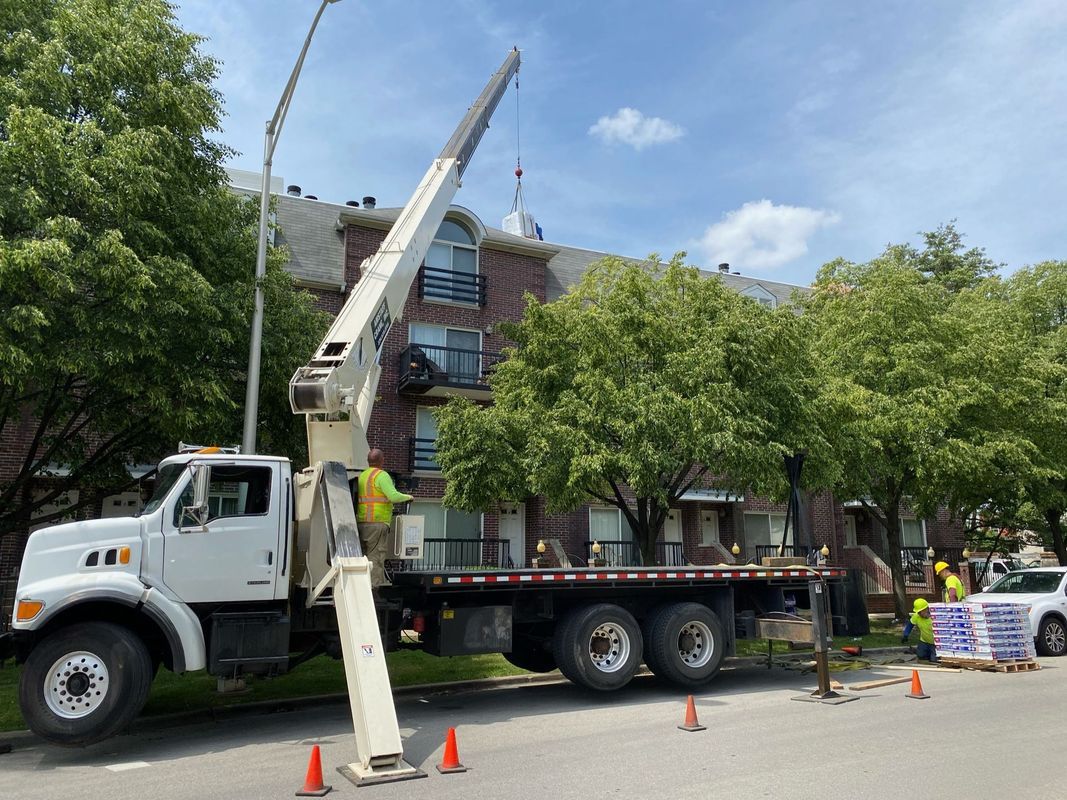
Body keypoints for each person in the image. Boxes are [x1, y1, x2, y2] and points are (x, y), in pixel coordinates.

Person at [356, 448, 413, 591]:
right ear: (382, 460)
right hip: (378, 523)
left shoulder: (363, 476)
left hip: (362, 522)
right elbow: (393, 496)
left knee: (363, 557)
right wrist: (408, 497)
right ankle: (372, 589)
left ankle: (360, 586)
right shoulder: (382, 476)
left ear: (368, 461)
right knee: (375, 557)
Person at [902, 597, 937, 662]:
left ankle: (932, 654)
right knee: (921, 656)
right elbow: (910, 625)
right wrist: (905, 635)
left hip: (935, 643)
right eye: (918, 612)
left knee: (934, 660)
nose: (919, 614)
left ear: (926, 609)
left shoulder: (935, 617)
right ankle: (922, 652)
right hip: (924, 641)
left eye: (920, 612)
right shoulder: (916, 616)